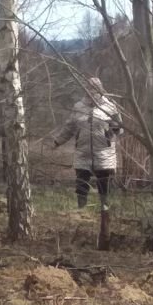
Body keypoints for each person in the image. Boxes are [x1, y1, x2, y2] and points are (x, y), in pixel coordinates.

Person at [54, 77, 122, 210]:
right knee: (81, 181)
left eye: (94, 88)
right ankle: (81, 209)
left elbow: (119, 127)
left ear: (100, 88)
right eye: (89, 87)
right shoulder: (78, 106)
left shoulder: (110, 106)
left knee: (104, 181)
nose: (91, 90)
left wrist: (113, 129)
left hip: (103, 151)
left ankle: (104, 209)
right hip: (83, 151)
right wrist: (58, 141)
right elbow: (69, 127)